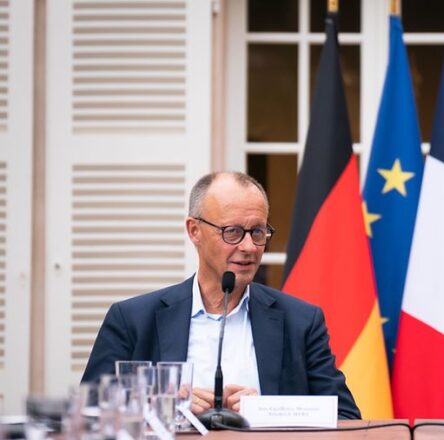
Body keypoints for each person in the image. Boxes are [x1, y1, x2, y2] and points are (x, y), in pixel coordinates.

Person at [82, 172, 361, 419]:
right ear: (194, 231)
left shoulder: (301, 321)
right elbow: (88, 413)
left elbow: (346, 416)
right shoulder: (132, 320)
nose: (249, 247)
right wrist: (164, 408)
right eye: (233, 232)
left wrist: (267, 412)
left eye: (258, 232)